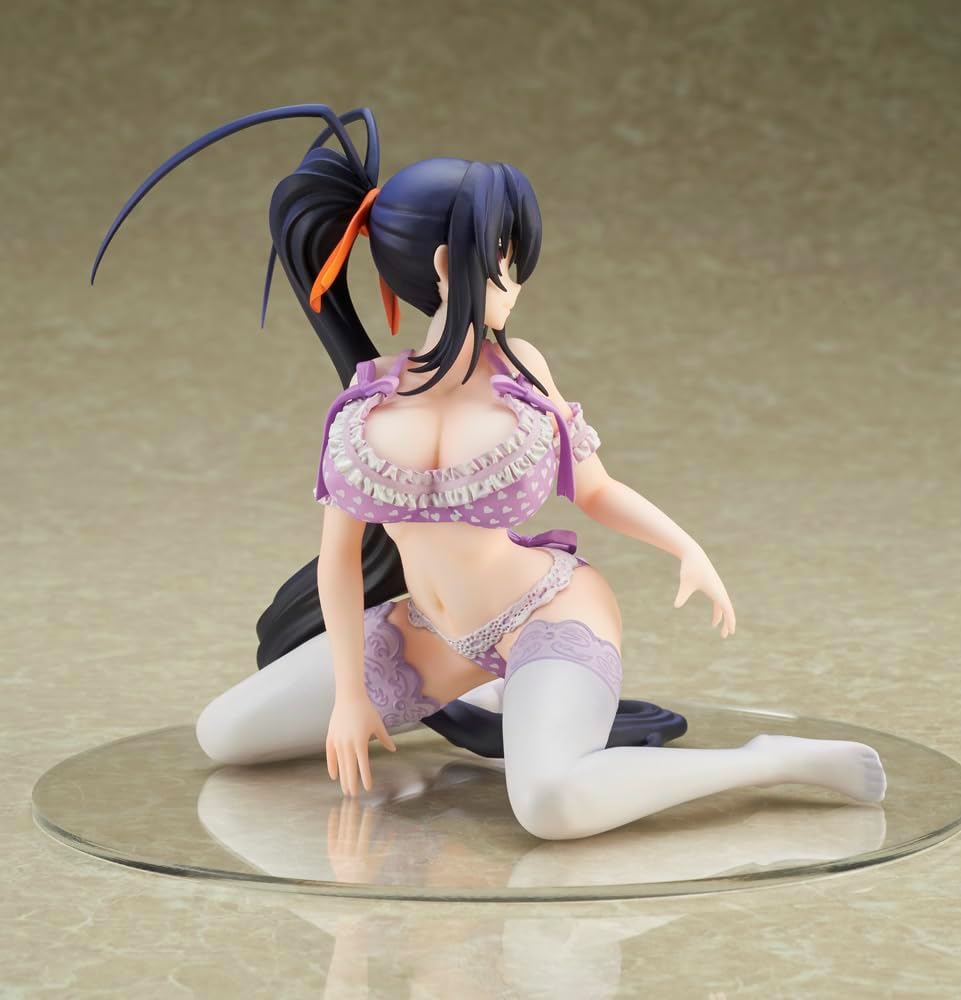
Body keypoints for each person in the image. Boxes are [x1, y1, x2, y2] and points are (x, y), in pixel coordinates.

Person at [93, 103, 886, 841]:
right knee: (225, 733)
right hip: (431, 636)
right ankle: (494, 697)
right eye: (506, 260)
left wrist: (687, 547)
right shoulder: (365, 406)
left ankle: (767, 761)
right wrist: (350, 696)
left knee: (549, 806)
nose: (518, 279)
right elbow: (339, 561)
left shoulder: (522, 373)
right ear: (450, 264)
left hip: (546, 612)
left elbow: (595, 488)